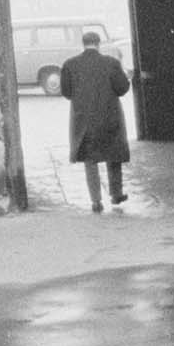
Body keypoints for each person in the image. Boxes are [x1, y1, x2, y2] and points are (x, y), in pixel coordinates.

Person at [59, 30, 131, 212]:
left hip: (83, 119)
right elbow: (122, 89)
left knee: (89, 160)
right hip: (109, 116)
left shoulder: (70, 65)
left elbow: (66, 93)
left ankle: (96, 201)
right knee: (113, 155)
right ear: (98, 44)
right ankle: (116, 194)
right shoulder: (111, 63)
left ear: (83, 44)